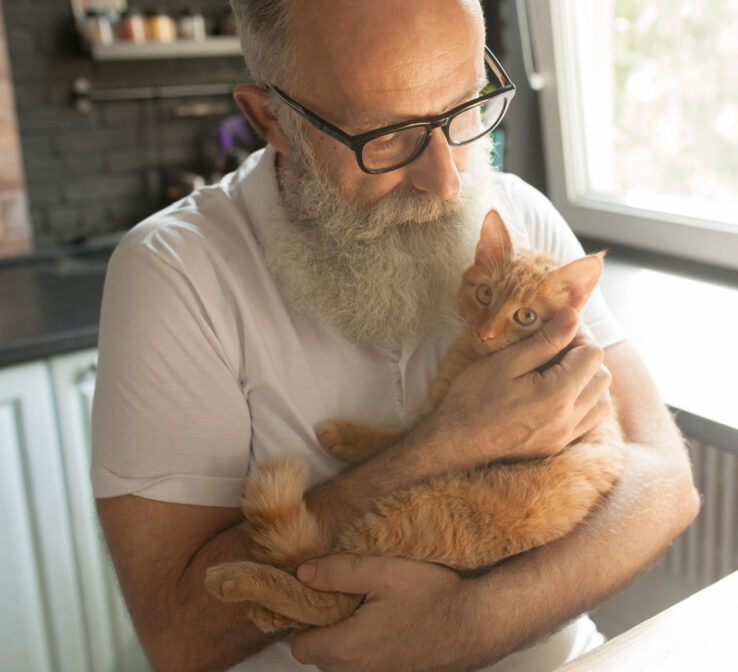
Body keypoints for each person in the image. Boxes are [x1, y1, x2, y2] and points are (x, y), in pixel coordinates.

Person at [90, 0, 700, 670]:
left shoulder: (517, 211)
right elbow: (179, 635)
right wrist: (444, 444)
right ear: (273, 120)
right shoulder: (173, 273)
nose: (446, 180)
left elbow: (665, 481)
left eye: (466, 106)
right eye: (385, 135)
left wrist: (472, 621)